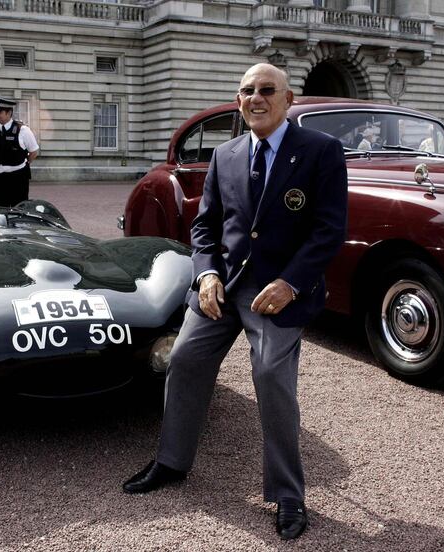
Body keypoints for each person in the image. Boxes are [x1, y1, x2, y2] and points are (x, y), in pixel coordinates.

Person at [122, 63, 348, 541]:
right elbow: (205, 227)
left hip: (277, 292)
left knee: (270, 376)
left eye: (267, 90)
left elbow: (329, 230)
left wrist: (291, 283)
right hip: (222, 286)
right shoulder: (224, 155)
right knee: (182, 359)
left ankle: (288, 495)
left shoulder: (321, 152)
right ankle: (171, 462)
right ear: (238, 99)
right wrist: (203, 273)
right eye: (247, 91)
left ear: (289, 100)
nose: (256, 98)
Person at [0, 97, 40, 207]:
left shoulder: (23, 130)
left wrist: (22, 163)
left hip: (17, 180)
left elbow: (34, 152)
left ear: (9, 113)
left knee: (18, 213)